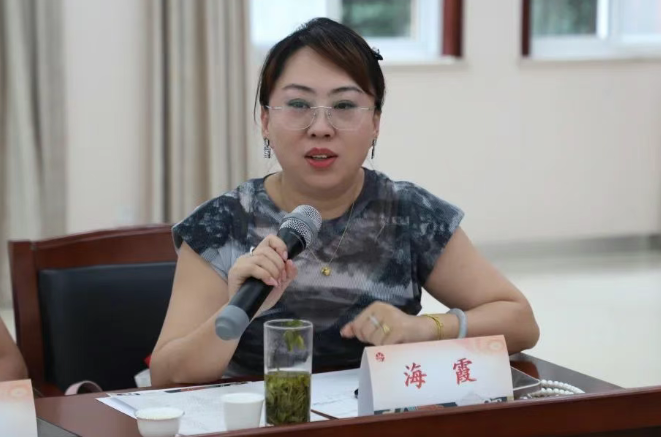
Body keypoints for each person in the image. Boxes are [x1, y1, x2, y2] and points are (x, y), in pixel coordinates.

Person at [150, 18, 539, 385]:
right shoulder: (222, 222)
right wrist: (237, 309)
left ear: (375, 123)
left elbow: (520, 321)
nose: (321, 128)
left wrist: (424, 328)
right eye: (298, 105)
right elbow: (165, 376)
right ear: (265, 121)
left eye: (345, 106)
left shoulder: (409, 213)